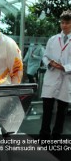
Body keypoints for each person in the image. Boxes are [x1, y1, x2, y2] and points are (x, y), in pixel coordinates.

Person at [39, 10, 71, 140]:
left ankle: (57, 135)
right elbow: (45, 56)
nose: (64, 25)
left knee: (61, 111)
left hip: (66, 78)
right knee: (47, 109)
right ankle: (44, 134)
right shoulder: (53, 39)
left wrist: (64, 67)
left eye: (67, 23)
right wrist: (50, 63)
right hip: (51, 77)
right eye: (62, 23)